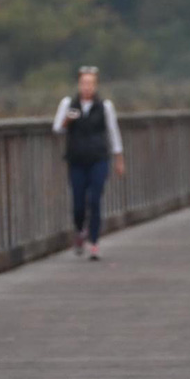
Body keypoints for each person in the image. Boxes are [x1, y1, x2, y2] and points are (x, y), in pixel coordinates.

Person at [52, 66, 125, 261]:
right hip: (76, 160)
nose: (87, 87)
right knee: (78, 202)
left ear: (96, 85)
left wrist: (119, 158)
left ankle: (94, 242)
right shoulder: (69, 103)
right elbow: (57, 129)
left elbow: (113, 131)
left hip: (98, 158)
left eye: (90, 83)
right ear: (79, 84)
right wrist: (68, 119)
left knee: (94, 200)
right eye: (84, 83)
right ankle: (79, 229)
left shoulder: (105, 106)